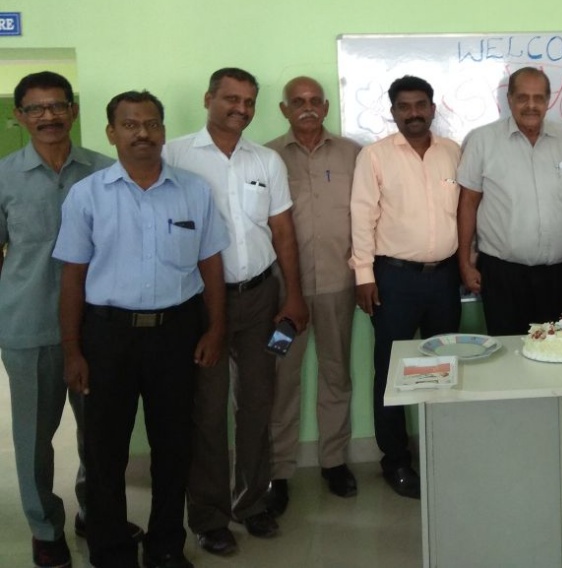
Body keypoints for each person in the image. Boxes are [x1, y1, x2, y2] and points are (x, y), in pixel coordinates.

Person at [54, 90, 229, 568]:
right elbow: (72, 277)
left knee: (174, 445)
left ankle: (166, 545)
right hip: (107, 336)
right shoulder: (87, 195)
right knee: (104, 449)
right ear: (111, 133)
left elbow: (212, 265)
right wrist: (73, 350)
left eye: (151, 124)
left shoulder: (193, 190)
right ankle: (111, 549)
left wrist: (215, 329)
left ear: (164, 131)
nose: (143, 133)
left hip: (176, 334)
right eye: (130, 125)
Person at [164, 68, 309, 555]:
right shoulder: (175, 156)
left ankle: (252, 503)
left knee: (257, 404)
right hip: (201, 304)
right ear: (208, 99)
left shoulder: (265, 160)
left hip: (261, 296)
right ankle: (209, 517)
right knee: (206, 412)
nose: (241, 109)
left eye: (249, 102)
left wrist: (293, 295)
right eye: (231, 99)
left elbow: (282, 232)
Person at [0, 72, 121, 568]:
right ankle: (44, 527)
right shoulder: (4, 176)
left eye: (57, 105)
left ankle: (96, 512)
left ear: (74, 110)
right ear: (19, 116)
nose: (47, 116)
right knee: (34, 437)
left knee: (99, 432)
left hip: (98, 326)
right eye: (35, 108)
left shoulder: (105, 171)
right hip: (27, 325)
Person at [350, 75, 461, 499]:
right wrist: (364, 275)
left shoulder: (452, 152)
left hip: (444, 278)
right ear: (393, 111)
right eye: (404, 106)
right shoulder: (375, 156)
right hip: (393, 279)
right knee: (392, 371)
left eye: (420, 105)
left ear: (433, 108)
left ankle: (441, 451)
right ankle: (395, 460)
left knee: (445, 367)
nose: (413, 113)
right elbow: (362, 215)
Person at [264, 77, 361, 514]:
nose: (307, 108)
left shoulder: (352, 154)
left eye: (314, 101)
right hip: (283, 295)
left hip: (339, 287)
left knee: (336, 374)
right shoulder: (266, 157)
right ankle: (278, 471)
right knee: (281, 378)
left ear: (325, 107)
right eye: (297, 102)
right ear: (284, 109)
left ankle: (334, 462)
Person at [457, 67, 562, 335]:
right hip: (502, 275)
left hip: (559, 275)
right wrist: (464, 263)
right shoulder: (482, 140)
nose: (531, 105)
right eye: (522, 97)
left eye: (538, 98)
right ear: (509, 99)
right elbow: (468, 203)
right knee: (507, 349)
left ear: (548, 100)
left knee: (557, 349)